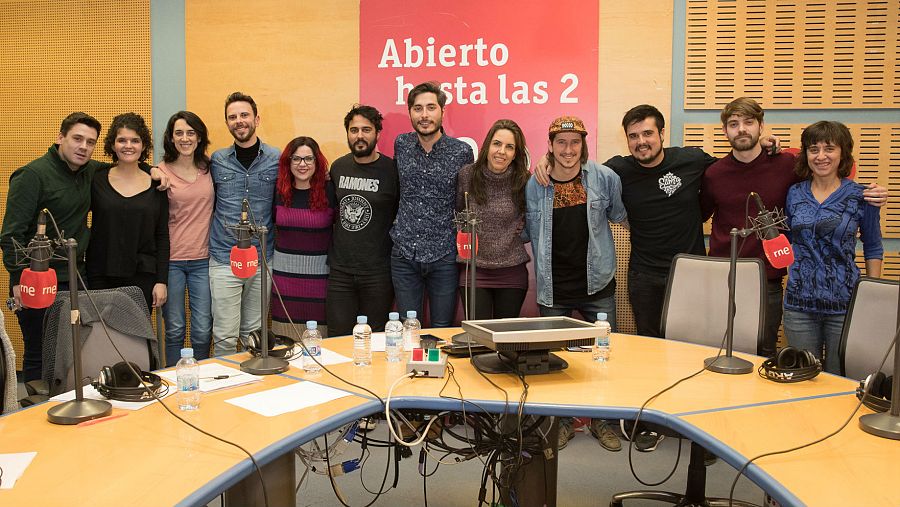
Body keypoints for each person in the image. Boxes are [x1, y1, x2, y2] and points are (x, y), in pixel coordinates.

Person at [701, 97, 887, 358]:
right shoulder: (715, 173)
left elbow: (830, 177)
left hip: (777, 283)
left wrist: (870, 193)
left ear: (761, 126)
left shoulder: (787, 168)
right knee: (717, 350)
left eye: (749, 122)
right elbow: (699, 213)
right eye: (734, 124)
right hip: (735, 282)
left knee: (768, 354)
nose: (741, 129)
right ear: (724, 130)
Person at [525, 116, 627, 452]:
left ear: (583, 144)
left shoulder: (604, 178)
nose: (568, 150)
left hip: (598, 284)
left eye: (575, 142)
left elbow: (619, 215)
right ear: (550, 145)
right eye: (561, 142)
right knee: (555, 362)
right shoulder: (535, 184)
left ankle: (602, 421)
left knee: (604, 357)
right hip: (553, 288)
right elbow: (526, 229)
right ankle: (563, 422)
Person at [1, 113, 103, 382]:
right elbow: (11, 235)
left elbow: (125, 168)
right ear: (60, 138)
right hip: (37, 280)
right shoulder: (31, 175)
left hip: (74, 278)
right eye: (77, 138)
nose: (83, 147)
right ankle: (37, 406)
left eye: (90, 142)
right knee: (39, 352)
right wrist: (19, 280)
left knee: (72, 352)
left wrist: (154, 170)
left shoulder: (90, 170)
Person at [783, 121, 882, 374]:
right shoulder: (794, 193)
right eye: (813, 149)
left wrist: (872, 295)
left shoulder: (862, 196)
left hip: (844, 305)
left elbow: (873, 246)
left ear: (842, 153)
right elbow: (787, 239)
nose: (821, 156)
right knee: (803, 378)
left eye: (829, 149)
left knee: (842, 380)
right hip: (798, 305)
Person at [391, 82, 474, 327]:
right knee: (408, 329)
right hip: (404, 252)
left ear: (442, 111)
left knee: (442, 329)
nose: (424, 115)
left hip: (444, 255)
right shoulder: (401, 144)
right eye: (418, 108)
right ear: (410, 112)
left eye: (431, 107)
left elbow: (466, 201)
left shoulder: (461, 151)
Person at [208, 92, 279, 356]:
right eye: (233, 117)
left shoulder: (276, 158)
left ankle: (252, 380)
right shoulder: (217, 160)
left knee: (254, 334)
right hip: (224, 258)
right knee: (224, 336)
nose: (239, 121)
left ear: (256, 119)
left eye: (244, 115)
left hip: (261, 259)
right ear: (227, 123)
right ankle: (225, 379)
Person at [326, 105, 399, 336]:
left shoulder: (392, 170)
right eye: (354, 130)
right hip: (340, 271)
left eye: (366, 129)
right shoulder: (338, 167)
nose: (359, 135)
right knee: (337, 338)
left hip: (378, 273)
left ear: (378, 133)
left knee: (374, 340)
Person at [87, 112, 169, 313]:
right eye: (122, 140)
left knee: (136, 332)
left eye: (135, 140)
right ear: (113, 144)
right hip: (101, 274)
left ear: (144, 145)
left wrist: (161, 281)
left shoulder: (157, 184)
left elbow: (162, 235)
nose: (128, 146)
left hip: (143, 276)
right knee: (102, 330)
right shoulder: (97, 179)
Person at [456, 119, 531, 319]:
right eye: (497, 144)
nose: (501, 151)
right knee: (477, 334)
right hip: (474, 271)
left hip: (511, 273)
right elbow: (457, 212)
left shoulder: (524, 180)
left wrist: (523, 230)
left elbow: (533, 218)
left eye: (509, 147)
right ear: (487, 145)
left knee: (505, 336)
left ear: (516, 153)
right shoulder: (467, 175)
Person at [157, 111, 214, 366]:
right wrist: (152, 171)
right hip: (172, 262)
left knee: (202, 329)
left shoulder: (209, 168)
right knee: (175, 328)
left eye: (191, 133)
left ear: (199, 137)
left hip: (204, 260)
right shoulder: (160, 171)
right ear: (171, 137)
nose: (185, 138)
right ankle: (173, 378)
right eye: (178, 133)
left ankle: (202, 377)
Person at [271, 137, 336, 339]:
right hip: (284, 281)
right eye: (296, 159)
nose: (302, 164)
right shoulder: (278, 191)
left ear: (317, 162)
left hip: (319, 281)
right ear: (288, 162)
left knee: (318, 341)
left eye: (308, 159)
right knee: (285, 342)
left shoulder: (330, 190)